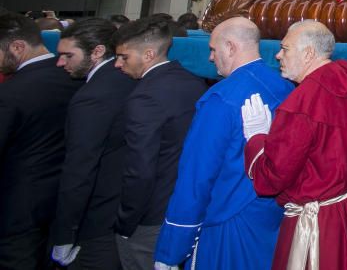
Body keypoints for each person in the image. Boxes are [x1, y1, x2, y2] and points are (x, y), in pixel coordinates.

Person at [152, 17, 293, 270]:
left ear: (230, 47)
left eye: (213, 49)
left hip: (228, 221)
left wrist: (171, 248)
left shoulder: (221, 99)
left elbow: (196, 176)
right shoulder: (284, 87)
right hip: (272, 217)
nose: (210, 58)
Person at [241, 20, 347, 270]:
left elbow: (271, 178)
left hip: (314, 225)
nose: (278, 55)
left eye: (285, 48)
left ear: (308, 53)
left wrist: (257, 139)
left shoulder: (301, 104)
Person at [113, 16, 207, 270]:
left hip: (150, 216)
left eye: (124, 57)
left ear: (149, 54)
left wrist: (126, 221)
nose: (118, 65)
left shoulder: (144, 97)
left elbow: (140, 169)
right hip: (187, 202)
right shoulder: (194, 82)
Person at [50, 18, 136, 269]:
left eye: (68, 55)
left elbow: (79, 169)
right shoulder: (130, 78)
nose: (60, 63)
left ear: (98, 51)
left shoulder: (92, 97)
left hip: (98, 219)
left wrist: (65, 234)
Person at [0, 13, 80, 269]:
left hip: (16, 208)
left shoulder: (11, 92)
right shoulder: (73, 76)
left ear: (18, 47)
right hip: (60, 201)